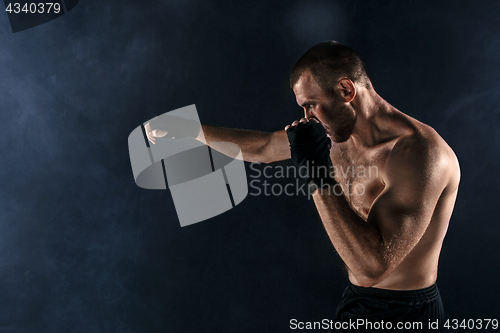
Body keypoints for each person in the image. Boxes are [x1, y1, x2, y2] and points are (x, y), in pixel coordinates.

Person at [145, 41, 460, 332]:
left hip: (408, 315)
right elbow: (266, 148)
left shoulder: (419, 154)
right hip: (356, 302)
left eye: (311, 105)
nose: (306, 117)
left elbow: (372, 267)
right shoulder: (335, 135)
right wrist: (190, 130)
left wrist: (316, 170)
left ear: (346, 89)